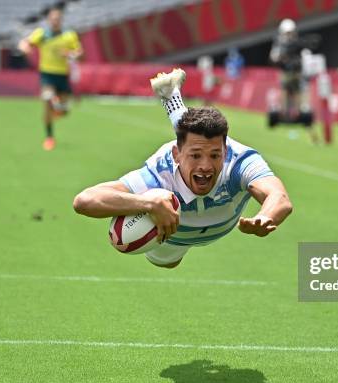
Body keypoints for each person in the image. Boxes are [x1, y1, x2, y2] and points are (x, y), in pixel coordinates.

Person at [73, 69, 293, 269]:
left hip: (217, 218)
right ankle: (171, 97)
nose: (206, 166)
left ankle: (171, 97)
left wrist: (266, 216)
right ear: (175, 156)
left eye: (215, 156)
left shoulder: (239, 161)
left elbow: (279, 196)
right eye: (196, 156)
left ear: (225, 153)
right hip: (173, 236)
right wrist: (148, 203)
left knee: (196, 139)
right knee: (167, 263)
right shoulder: (159, 175)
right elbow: (84, 201)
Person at [18, 8, 83, 151]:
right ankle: (49, 137)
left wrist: (69, 54)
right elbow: (25, 42)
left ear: (61, 21)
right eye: (52, 19)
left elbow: (79, 53)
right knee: (47, 98)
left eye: (57, 19)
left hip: (62, 75)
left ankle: (58, 108)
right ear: (48, 20)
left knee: (64, 110)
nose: (55, 22)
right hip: (47, 74)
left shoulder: (69, 36)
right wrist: (24, 48)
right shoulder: (42, 34)